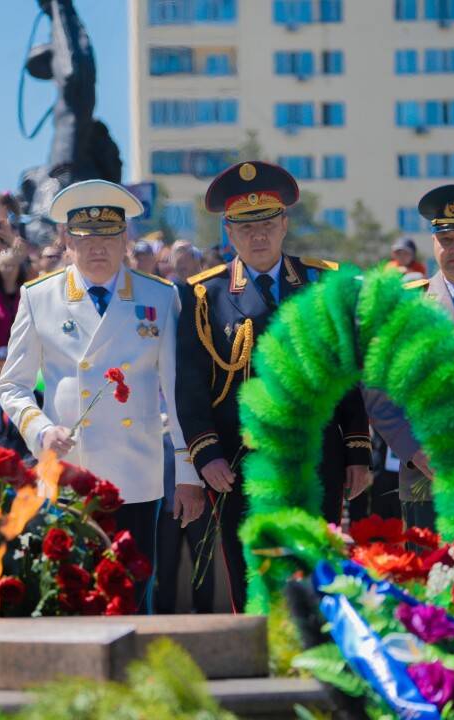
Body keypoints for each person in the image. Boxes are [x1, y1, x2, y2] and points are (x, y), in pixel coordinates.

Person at [0, 180, 204, 610]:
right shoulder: (39, 297)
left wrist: (187, 474)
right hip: (71, 472)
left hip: (136, 474)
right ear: (66, 240)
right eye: (86, 238)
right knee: (71, 596)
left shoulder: (160, 296)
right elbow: (12, 384)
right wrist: (41, 431)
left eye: (108, 236)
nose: (97, 248)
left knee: (131, 597)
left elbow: (178, 391)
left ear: (125, 239)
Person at [174, 161, 371, 611]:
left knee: (317, 573)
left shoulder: (323, 284)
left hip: (316, 456)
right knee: (252, 579)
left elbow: (346, 374)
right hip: (240, 462)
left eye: (266, 224)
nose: (258, 235)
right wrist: (206, 453)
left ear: (284, 225)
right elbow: (190, 385)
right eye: (246, 227)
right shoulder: (204, 295)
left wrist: (358, 450)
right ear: (229, 232)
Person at [364, 184, 454, 530]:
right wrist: (412, 449)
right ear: (433, 242)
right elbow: (376, 387)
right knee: (428, 563)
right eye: (447, 239)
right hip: (427, 477)